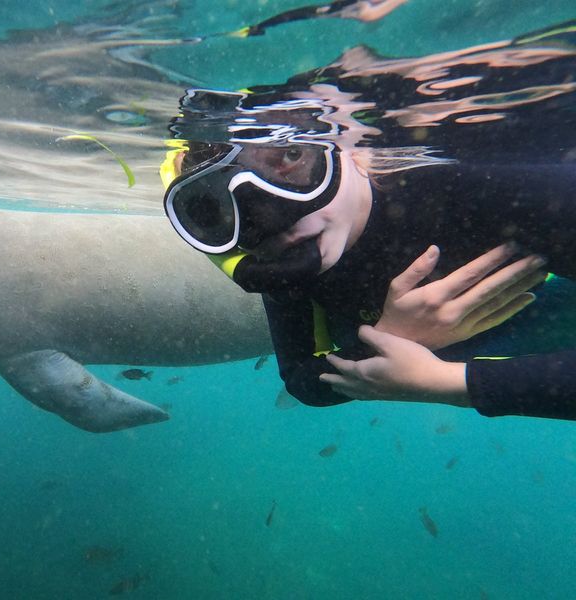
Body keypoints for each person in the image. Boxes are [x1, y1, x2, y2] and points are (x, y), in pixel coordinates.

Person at [161, 21, 576, 420]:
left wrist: (454, 383)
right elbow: (303, 380)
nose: (273, 216)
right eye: (214, 208)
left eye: (290, 159)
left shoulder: (479, 187)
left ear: (351, 150)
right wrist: (391, 338)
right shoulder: (278, 251)